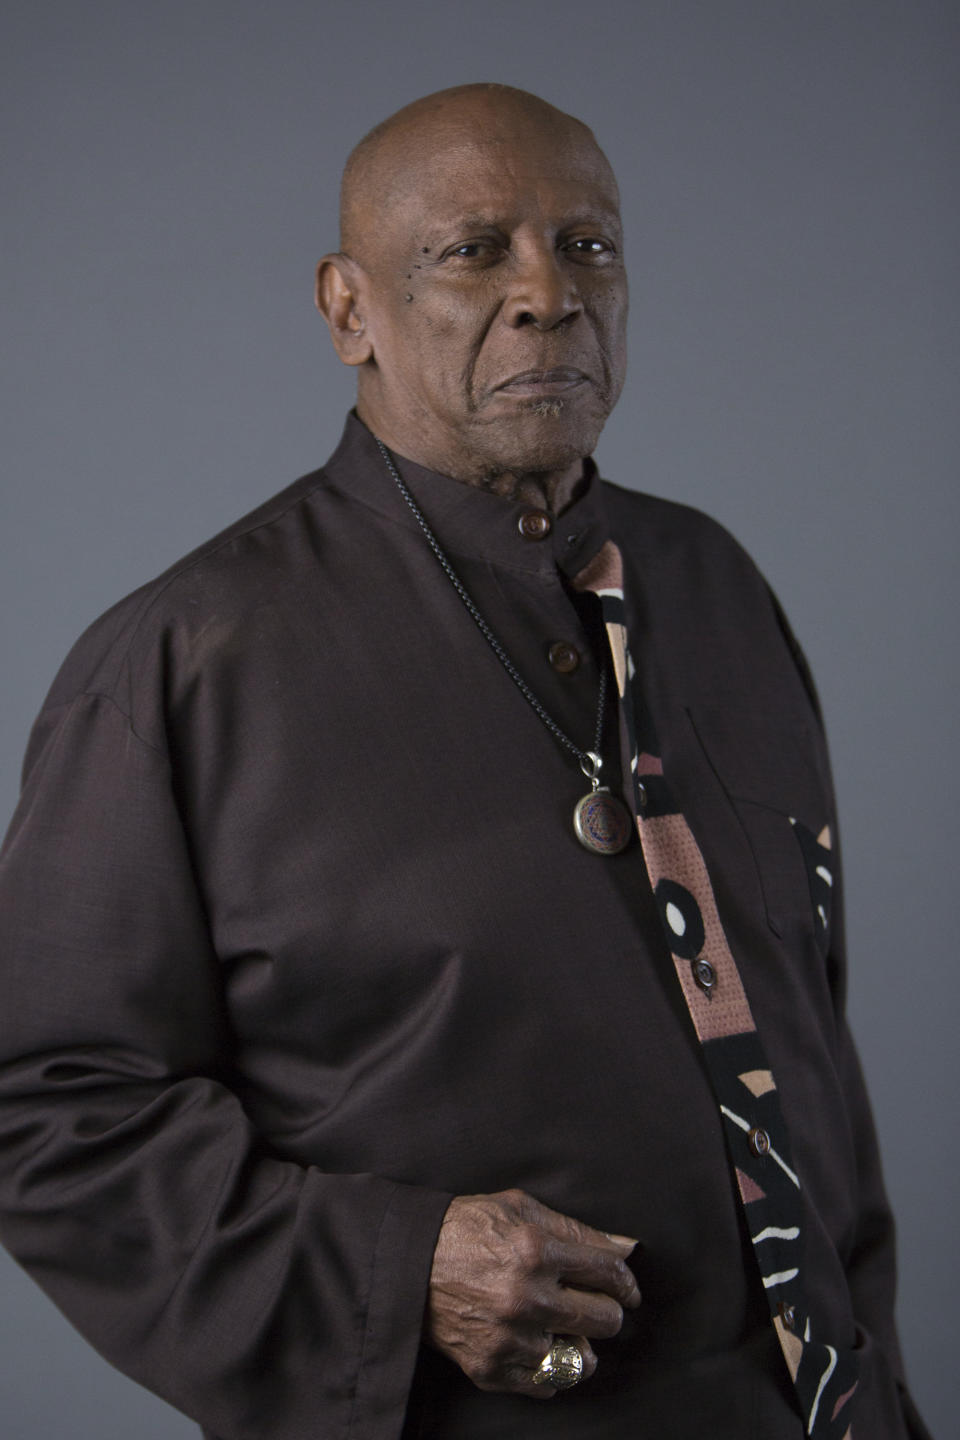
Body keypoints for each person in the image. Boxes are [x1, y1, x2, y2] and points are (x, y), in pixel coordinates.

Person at [0, 84, 930, 1440]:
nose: (548, 292)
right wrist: (394, 1268)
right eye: (473, 249)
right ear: (348, 310)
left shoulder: (718, 585)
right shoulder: (179, 663)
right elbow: (43, 1108)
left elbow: (809, 1055)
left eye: (590, 245)